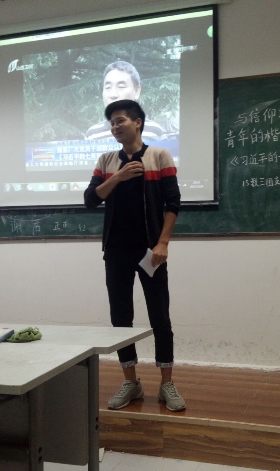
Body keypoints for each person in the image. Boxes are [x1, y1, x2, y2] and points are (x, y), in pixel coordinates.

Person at [84, 99, 185, 412]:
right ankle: (131, 382)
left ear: (138, 122)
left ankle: (167, 383)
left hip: (150, 251)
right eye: (112, 123)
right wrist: (117, 177)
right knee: (120, 318)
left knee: (160, 317)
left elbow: (173, 203)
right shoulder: (106, 160)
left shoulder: (159, 155)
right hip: (116, 251)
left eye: (120, 121)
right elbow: (90, 199)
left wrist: (163, 243)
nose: (115, 127)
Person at [85, 61, 166, 141]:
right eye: (108, 87)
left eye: (121, 86)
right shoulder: (92, 135)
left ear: (136, 91)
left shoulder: (155, 132)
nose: (113, 94)